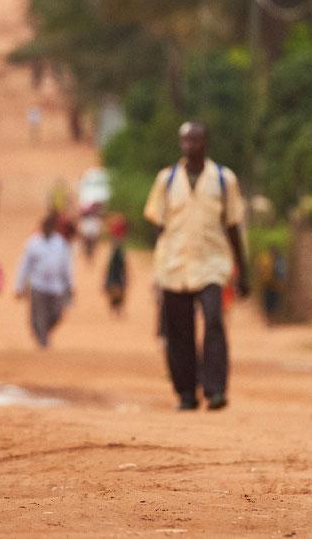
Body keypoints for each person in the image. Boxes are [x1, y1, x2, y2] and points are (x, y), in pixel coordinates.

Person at [143, 121, 248, 412]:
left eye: (196, 141)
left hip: (212, 265)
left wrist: (243, 271)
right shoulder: (166, 179)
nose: (191, 146)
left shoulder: (224, 180)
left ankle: (215, 390)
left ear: (205, 143)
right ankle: (186, 392)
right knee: (179, 332)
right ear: (181, 144)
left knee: (214, 322)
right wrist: (160, 262)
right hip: (174, 266)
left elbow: (234, 227)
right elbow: (156, 224)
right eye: (186, 141)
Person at [15, 214, 73, 349]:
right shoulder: (33, 243)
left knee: (57, 313)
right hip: (38, 284)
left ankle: (43, 330)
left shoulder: (60, 243)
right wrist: (19, 285)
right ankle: (42, 339)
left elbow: (66, 265)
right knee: (39, 313)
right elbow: (24, 265)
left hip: (56, 286)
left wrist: (70, 284)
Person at [104, 233, 128, 318]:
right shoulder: (117, 254)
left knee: (117, 294)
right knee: (117, 294)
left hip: (115, 276)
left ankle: (116, 310)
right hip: (116, 276)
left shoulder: (116, 254)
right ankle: (116, 310)